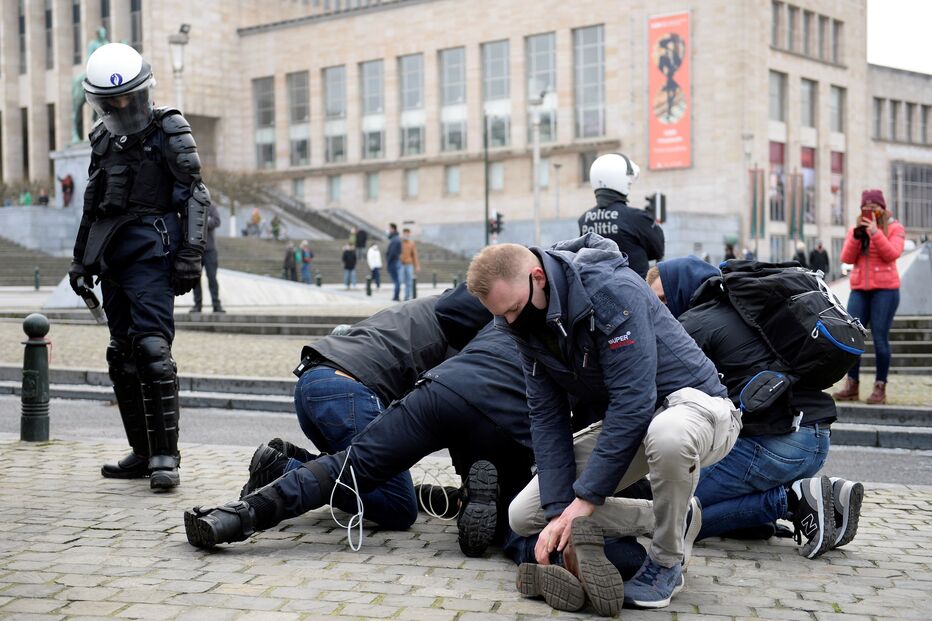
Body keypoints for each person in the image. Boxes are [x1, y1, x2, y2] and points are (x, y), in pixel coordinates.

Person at [466, 235, 741, 613]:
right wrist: (559, 517)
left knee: (668, 435)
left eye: (513, 308)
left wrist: (584, 502)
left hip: (697, 408)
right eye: (502, 316)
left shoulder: (611, 290)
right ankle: (672, 517)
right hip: (637, 421)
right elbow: (546, 417)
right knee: (523, 514)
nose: (510, 321)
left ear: (538, 277)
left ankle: (665, 562)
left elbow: (633, 400)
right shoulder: (523, 325)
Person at [183, 286, 493, 545]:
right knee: (399, 508)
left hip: (315, 381)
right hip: (348, 391)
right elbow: (456, 406)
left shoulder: (431, 307)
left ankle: (290, 460)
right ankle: (281, 467)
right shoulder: (471, 327)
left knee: (363, 480)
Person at [648, 258, 863, 559]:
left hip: (778, 443)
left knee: (669, 511)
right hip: (814, 436)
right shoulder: (745, 313)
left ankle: (791, 501)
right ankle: (802, 504)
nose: (659, 309)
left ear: (679, 288)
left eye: (661, 298)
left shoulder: (692, 325)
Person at [66, 42, 209, 491]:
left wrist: (190, 255)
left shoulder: (170, 128)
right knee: (121, 355)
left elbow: (194, 195)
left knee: (152, 351)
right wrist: (80, 261)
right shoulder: (102, 139)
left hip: (152, 256)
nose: (122, 106)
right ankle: (142, 452)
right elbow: (93, 207)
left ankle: (166, 455)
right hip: (112, 260)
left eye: (128, 97)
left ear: (142, 91)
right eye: (112, 101)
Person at [833, 189, 905, 405]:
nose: (870, 212)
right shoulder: (856, 229)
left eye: (874, 208)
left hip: (886, 290)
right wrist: (858, 235)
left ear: (882, 209)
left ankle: (880, 387)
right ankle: (852, 385)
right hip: (859, 291)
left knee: (880, 338)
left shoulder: (895, 228)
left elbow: (892, 253)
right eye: (866, 208)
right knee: (851, 336)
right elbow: (846, 257)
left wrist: (875, 232)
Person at [577, 154, 664, 279]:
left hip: (597, 291)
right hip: (633, 290)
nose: (629, 184)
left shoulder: (584, 219)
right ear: (619, 180)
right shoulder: (636, 217)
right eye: (628, 181)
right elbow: (658, 251)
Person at [191, 202, 225, 313]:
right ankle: (197, 305)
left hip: (210, 250)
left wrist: (201, 222)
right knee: (195, 279)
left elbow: (216, 221)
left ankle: (216, 304)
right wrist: (206, 221)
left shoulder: (211, 207)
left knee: (212, 278)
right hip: (196, 250)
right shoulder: (192, 207)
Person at [400, 227, 419, 300]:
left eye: (407, 233)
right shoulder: (400, 242)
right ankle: (401, 295)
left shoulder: (411, 243)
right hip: (401, 264)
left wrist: (417, 265)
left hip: (409, 264)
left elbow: (414, 255)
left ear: (409, 234)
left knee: (409, 281)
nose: (406, 235)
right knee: (401, 280)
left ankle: (407, 296)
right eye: (405, 233)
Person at [386, 223, 402, 301]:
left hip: (393, 262)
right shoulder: (396, 239)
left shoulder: (395, 239)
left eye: (389, 229)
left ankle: (396, 296)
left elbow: (392, 253)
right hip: (395, 261)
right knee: (396, 280)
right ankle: (396, 296)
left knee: (396, 280)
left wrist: (388, 262)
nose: (388, 231)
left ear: (393, 229)